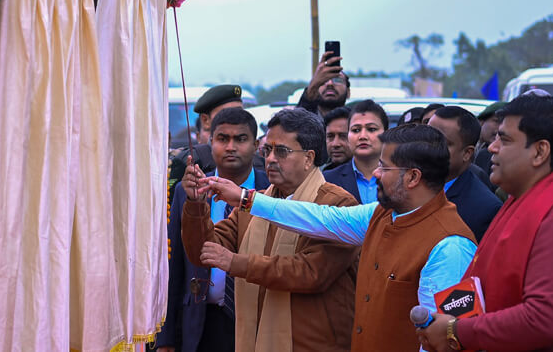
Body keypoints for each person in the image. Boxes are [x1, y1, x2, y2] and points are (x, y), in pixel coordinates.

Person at [199, 124, 477, 351]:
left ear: (413, 177)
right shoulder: (380, 215)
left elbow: (443, 340)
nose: (376, 174)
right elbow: (320, 218)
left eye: (385, 167)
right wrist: (246, 199)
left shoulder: (452, 246)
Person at [417, 95, 553, 352]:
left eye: (504, 140)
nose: (491, 148)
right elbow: (480, 284)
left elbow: (543, 320)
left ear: (540, 152)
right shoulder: (518, 201)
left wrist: (456, 330)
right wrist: (442, 320)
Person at [180, 108, 359, 352]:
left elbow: (311, 273)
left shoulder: (337, 204)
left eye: (282, 151)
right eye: (268, 150)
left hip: (314, 344)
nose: (271, 159)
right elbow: (204, 250)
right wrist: (195, 204)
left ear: (309, 158)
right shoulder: (256, 203)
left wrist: (237, 263)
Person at [158, 108, 270, 352]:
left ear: (256, 145)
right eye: (222, 139)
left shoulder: (272, 191)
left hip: (259, 321)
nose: (230, 147)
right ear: (210, 143)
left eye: (240, 139)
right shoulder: (190, 190)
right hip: (201, 320)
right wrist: (165, 338)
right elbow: (174, 263)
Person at [427, 107, 502, 242]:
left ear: (467, 153)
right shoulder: (406, 183)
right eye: (425, 137)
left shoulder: (485, 209)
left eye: (441, 142)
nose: (427, 147)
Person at [324, 100, 388, 204]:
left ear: (386, 133)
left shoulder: (401, 178)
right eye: (356, 130)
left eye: (371, 129)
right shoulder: (327, 180)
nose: (362, 136)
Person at [297, 51, 351, 117]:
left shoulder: (355, 120)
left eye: (337, 80)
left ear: (348, 92)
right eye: (324, 80)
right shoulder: (305, 121)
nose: (330, 84)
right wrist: (312, 87)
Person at [323, 106, 352, 171]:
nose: (335, 144)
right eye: (330, 136)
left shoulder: (376, 174)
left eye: (343, 136)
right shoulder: (319, 175)